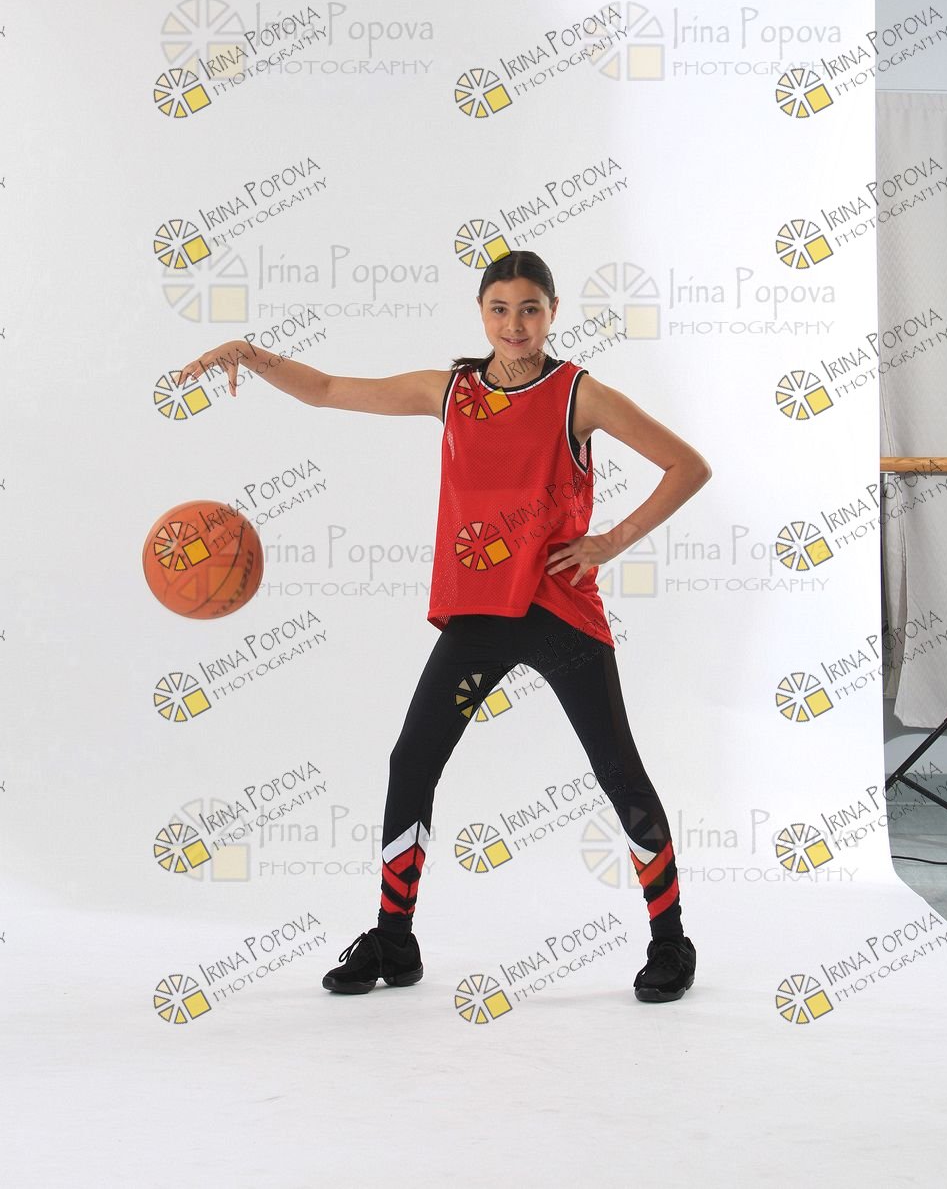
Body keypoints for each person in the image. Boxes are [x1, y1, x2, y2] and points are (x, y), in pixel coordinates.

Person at [177, 250, 712, 1003]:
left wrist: (610, 542)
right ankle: (394, 939)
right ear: (481, 315)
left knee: (617, 769)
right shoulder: (452, 392)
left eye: (530, 308)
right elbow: (329, 389)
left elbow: (688, 466)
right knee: (412, 762)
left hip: (560, 612)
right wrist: (249, 353)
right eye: (500, 309)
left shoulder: (578, 395)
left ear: (552, 312)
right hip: (480, 617)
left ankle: (670, 941)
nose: (515, 324)